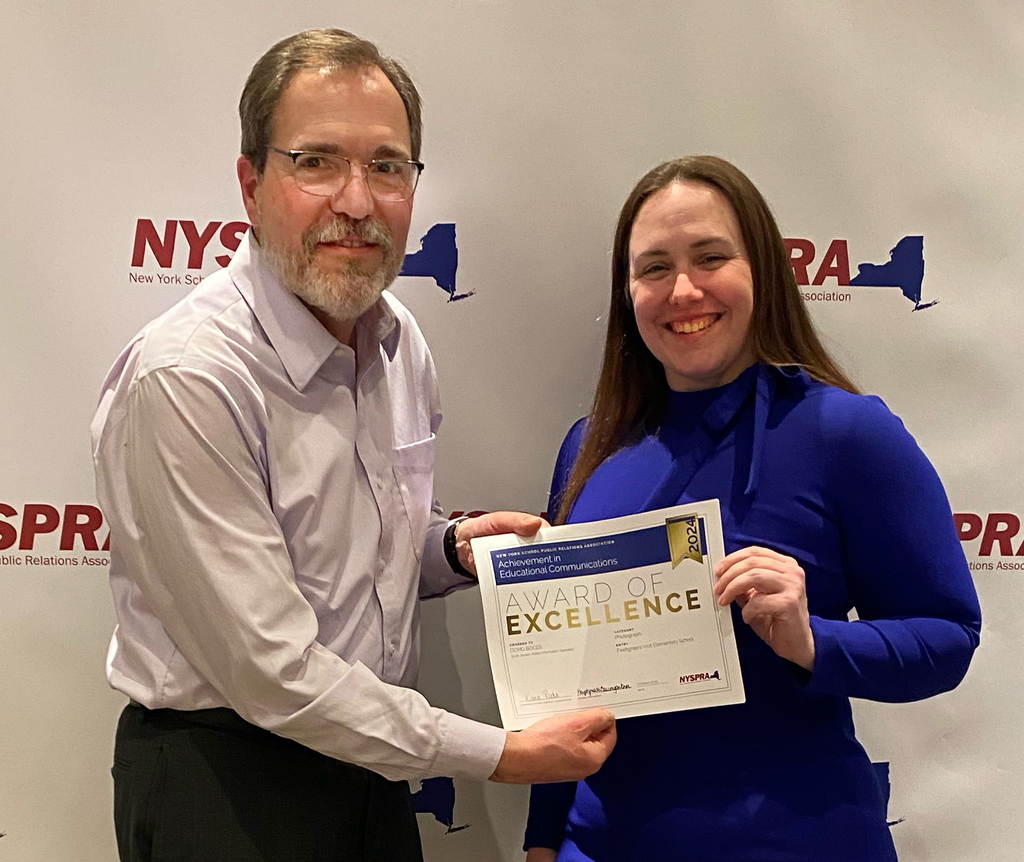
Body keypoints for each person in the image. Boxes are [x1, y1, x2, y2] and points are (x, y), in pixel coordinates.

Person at [91, 28, 614, 862]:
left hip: (369, 772)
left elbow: (362, 542)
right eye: (316, 162)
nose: (358, 200)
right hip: (228, 783)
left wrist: (449, 549)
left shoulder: (399, 340)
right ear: (251, 182)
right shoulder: (188, 380)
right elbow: (275, 674)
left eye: (387, 166)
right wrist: (505, 756)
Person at [523, 156, 981, 862]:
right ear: (627, 292)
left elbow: (949, 637)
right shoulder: (590, 448)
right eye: (653, 268)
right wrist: (542, 842)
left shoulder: (846, 433)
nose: (683, 289)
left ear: (761, 268)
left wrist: (813, 642)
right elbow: (562, 682)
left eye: (710, 257)